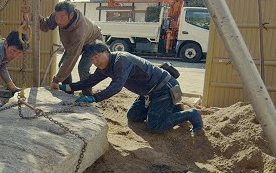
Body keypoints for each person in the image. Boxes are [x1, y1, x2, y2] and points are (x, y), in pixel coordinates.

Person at [59, 41, 203, 133]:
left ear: (106, 52)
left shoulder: (121, 60)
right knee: (133, 116)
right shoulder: (105, 67)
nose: (95, 61)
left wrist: (94, 98)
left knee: (154, 125)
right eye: (92, 60)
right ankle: (169, 109)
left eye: (97, 57)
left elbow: (116, 86)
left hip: (163, 88)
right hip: (148, 93)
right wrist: (65, 88)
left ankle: (190, 114)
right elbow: (89, 81)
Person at [39, 0, 103, 95]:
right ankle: (68, 93)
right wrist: (35, 17)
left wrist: (56, 80)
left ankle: (87, 96)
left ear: (71, 15)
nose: (58, 21)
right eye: (56, 17)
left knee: (83, 68)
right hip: (76, 43)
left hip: (92, 41)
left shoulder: (79, 31)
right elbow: (46, 26)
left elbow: (71, 58)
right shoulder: (58, 16)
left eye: (61, 18)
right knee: (62, 65)